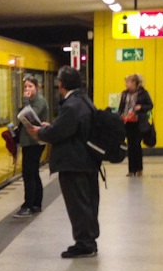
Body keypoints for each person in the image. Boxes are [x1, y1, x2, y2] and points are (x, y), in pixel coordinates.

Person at [24, 65, 99, 258]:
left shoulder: (71, 105)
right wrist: (53, 126)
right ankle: (89, 240)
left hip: (73, 163)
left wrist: (39, 132)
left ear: (61, 84)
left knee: (78, 204)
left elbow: (59, 132)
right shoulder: (83, 100)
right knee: (88, 202)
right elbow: (68, 127)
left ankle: (84, 244)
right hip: (87, 161)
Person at [13, 75, 48, 216]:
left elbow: (29, 115)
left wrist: (25, 99)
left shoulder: (39, 101)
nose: (27, 89)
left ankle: (28, 205)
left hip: (34, 142)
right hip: (29, 142)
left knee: (29, 173)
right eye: (25, 87)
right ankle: (35, 204)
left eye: (30, 86)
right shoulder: (34, 101)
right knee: (33, 172)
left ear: (37, 87)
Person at [117, 73, 154, 177]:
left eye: (127, 82)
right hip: (127, 122)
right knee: (130, 145)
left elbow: (150, 105)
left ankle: (139, 169)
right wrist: (119, 117)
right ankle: (131, 170)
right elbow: (121, 108)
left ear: (134, 83)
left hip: (138, 123)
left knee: (137, 145)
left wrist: (141, 107)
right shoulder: (124, 94)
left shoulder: (143, 93)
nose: (126, 84)